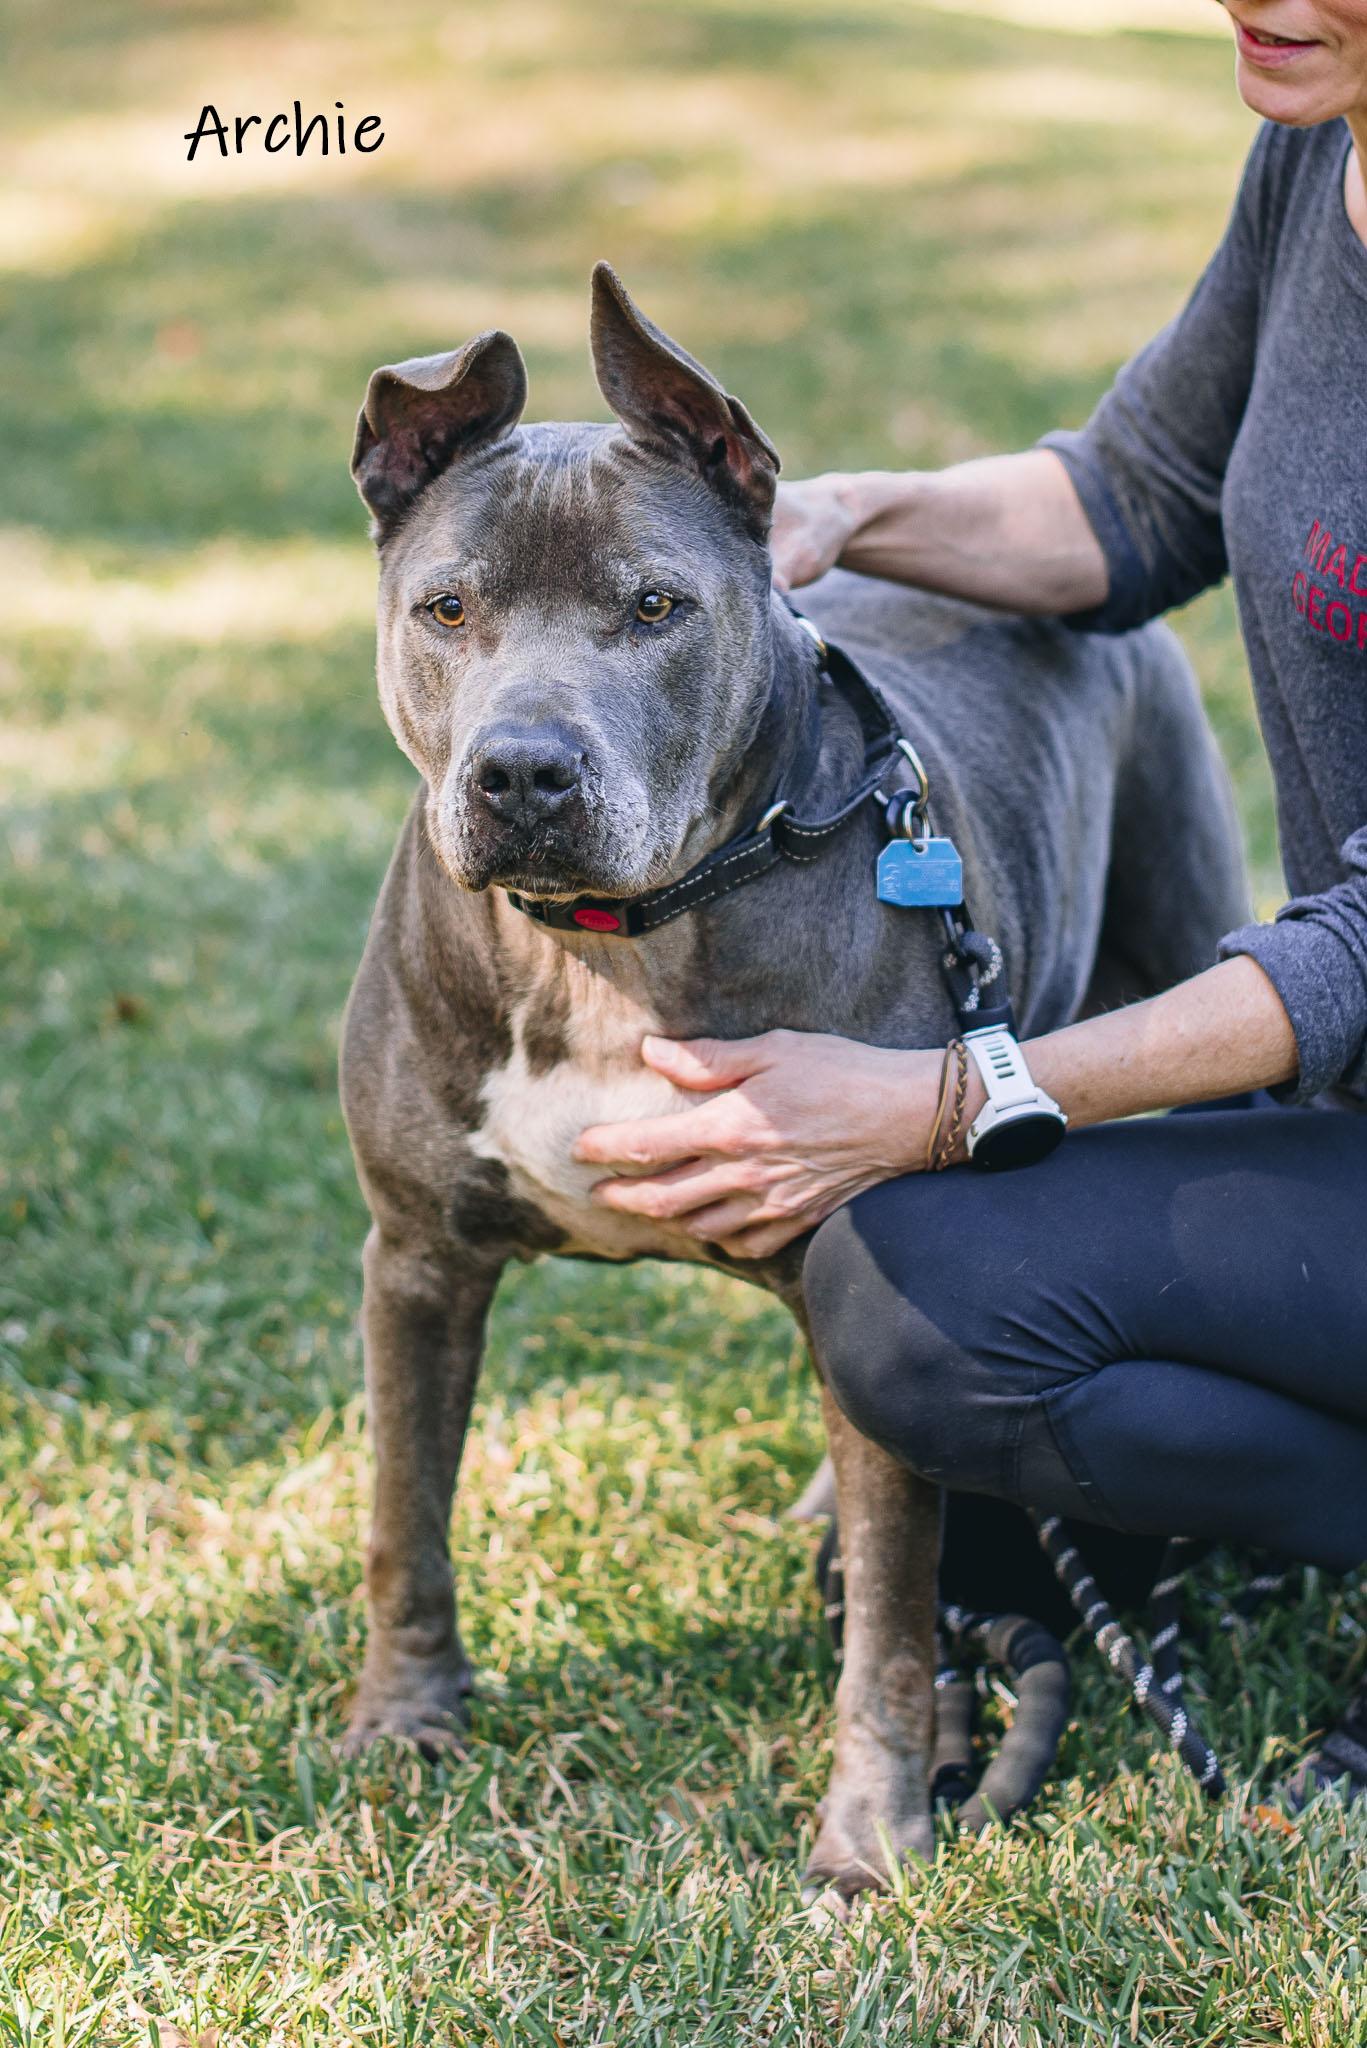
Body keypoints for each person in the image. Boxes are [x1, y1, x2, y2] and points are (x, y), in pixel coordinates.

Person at [573, 1, 1367, 1800]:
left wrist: (947, 1096)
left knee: (923, 1196)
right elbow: (1134, 499)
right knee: (911, 1301)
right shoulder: (1320, 157)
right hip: (1356, 1113)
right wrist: (842, 520)